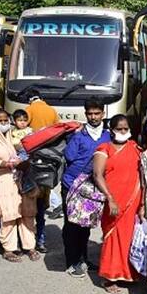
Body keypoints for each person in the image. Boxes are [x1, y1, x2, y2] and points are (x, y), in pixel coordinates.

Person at [93, 114, 143, 293]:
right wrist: (110, 198)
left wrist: (143, 203)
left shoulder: (135, 148)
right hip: (113, 201)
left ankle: (127, 273)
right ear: (111, 130)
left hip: (133, 200)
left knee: (129, 238)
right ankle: (109, 276)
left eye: (126, 129)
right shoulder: (104, 148)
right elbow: (98, 175)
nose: (123, 132)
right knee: (112, 237)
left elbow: (142, 175)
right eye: (119, 129)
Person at [61, 98, 110, 276]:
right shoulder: (78, 135)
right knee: (72, 225)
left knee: (85, 225)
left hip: (91, 188)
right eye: (90, 113)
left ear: (103, 114)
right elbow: (70, 156)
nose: (93, 117)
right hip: (72, 185)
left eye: (97, 113)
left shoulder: (107, 136)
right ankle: (72, 262)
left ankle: (83, 258)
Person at [0, 108, 40, 263]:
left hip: (22, 178)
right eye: (0, 121)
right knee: (8, 214)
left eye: (5, 120)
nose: (4, 123)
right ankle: (9, 249)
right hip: (5, 179)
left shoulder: (14, 135)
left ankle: (30, 246)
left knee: (27, 213)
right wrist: (8, 163)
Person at [24, 88, 59, 253]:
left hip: (31, 161)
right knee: (42, 206)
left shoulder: (29, 110)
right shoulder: (51, 110)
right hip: (48, 162)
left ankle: (29, 239)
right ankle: (41, 240)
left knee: (29, 204)